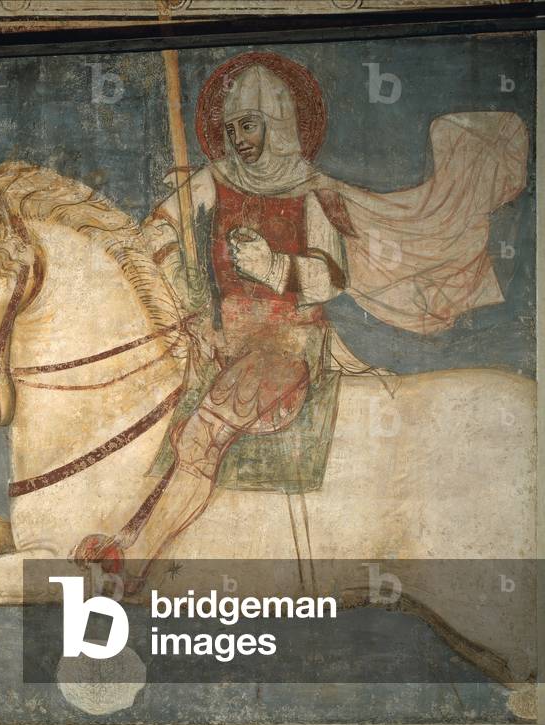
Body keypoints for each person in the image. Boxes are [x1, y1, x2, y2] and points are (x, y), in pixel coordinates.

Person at [74, 51, 528, 571]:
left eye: (250, 125)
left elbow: (330, 278)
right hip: (214, 338)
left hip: (284, 346)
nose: (239, 138)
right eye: (231, 127)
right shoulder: (209, 180)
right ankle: (131, 529)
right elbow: (155, 232)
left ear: (280, 125)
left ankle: (134, 562)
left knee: (201, 434)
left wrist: (270, 266)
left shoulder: (311, 193)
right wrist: (183, 284)